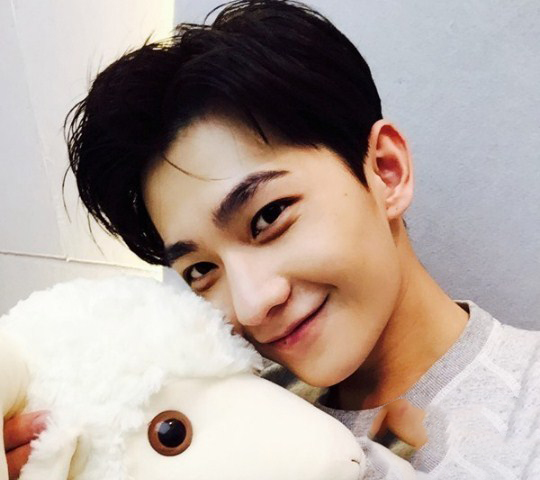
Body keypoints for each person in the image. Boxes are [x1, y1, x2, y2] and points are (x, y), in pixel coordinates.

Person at [4, 0, 539, 478]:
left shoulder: (526, 409)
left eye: (269, 217)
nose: (253, 304)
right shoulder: (210, 408)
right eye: (200, 270)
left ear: (386, 170)